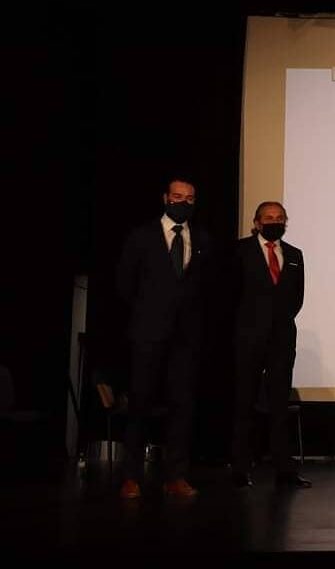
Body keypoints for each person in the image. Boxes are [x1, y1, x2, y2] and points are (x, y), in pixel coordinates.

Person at [115, 177, 210, 499]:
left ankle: (176, 476)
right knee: (139, 404)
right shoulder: (141, 236)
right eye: (177, 196)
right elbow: (125, 284)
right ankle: (131, 477)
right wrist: (147, 316)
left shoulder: (203, 239)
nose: (183, 202)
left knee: (182, 407)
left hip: (186, 340)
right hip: (148, 334)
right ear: (165, 198)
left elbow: (207, 290)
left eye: (189, 198)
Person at [230, 201, 311, 489]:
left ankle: (285, 471)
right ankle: (240, 468)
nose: (274, 221)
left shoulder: (294, 255)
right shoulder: (239, 251)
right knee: (244, 404)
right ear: (257, 222)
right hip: (248, 339)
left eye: (279, 217)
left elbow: (297, 298)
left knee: (279, 405)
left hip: (281, 340)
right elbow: (230, 294)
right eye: (268, 217)